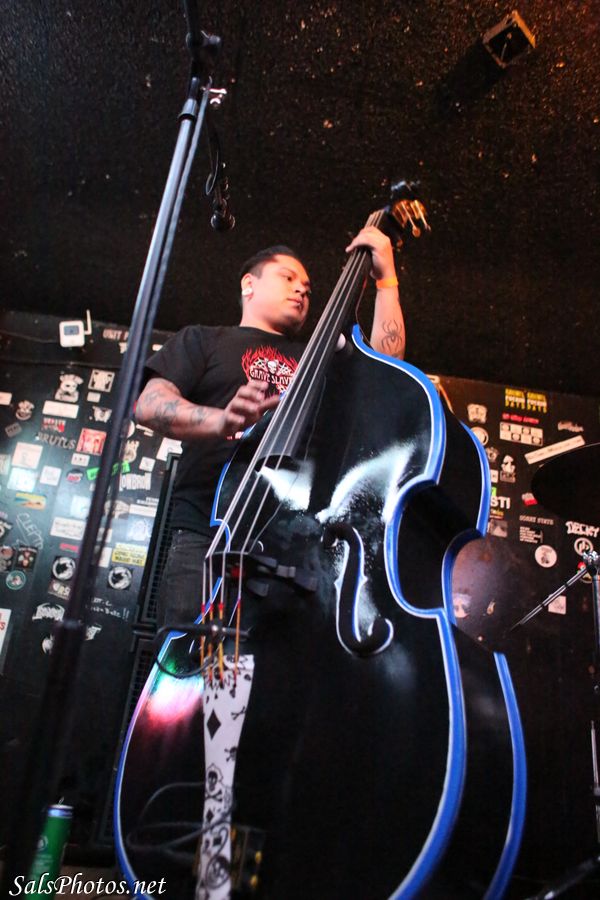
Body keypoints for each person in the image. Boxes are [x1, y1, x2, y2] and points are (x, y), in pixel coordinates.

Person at [135, 225, 405, 627]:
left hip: (296, 545)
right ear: (249, 284)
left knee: (276, 664)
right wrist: (222, 420)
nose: (301, 290)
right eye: (288, 277)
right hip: (207, 533)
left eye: (307, 288)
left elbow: (387, 368)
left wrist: (386, 280)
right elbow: (149, 404)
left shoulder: (318, 355)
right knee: (190, 661)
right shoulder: (204, 340)